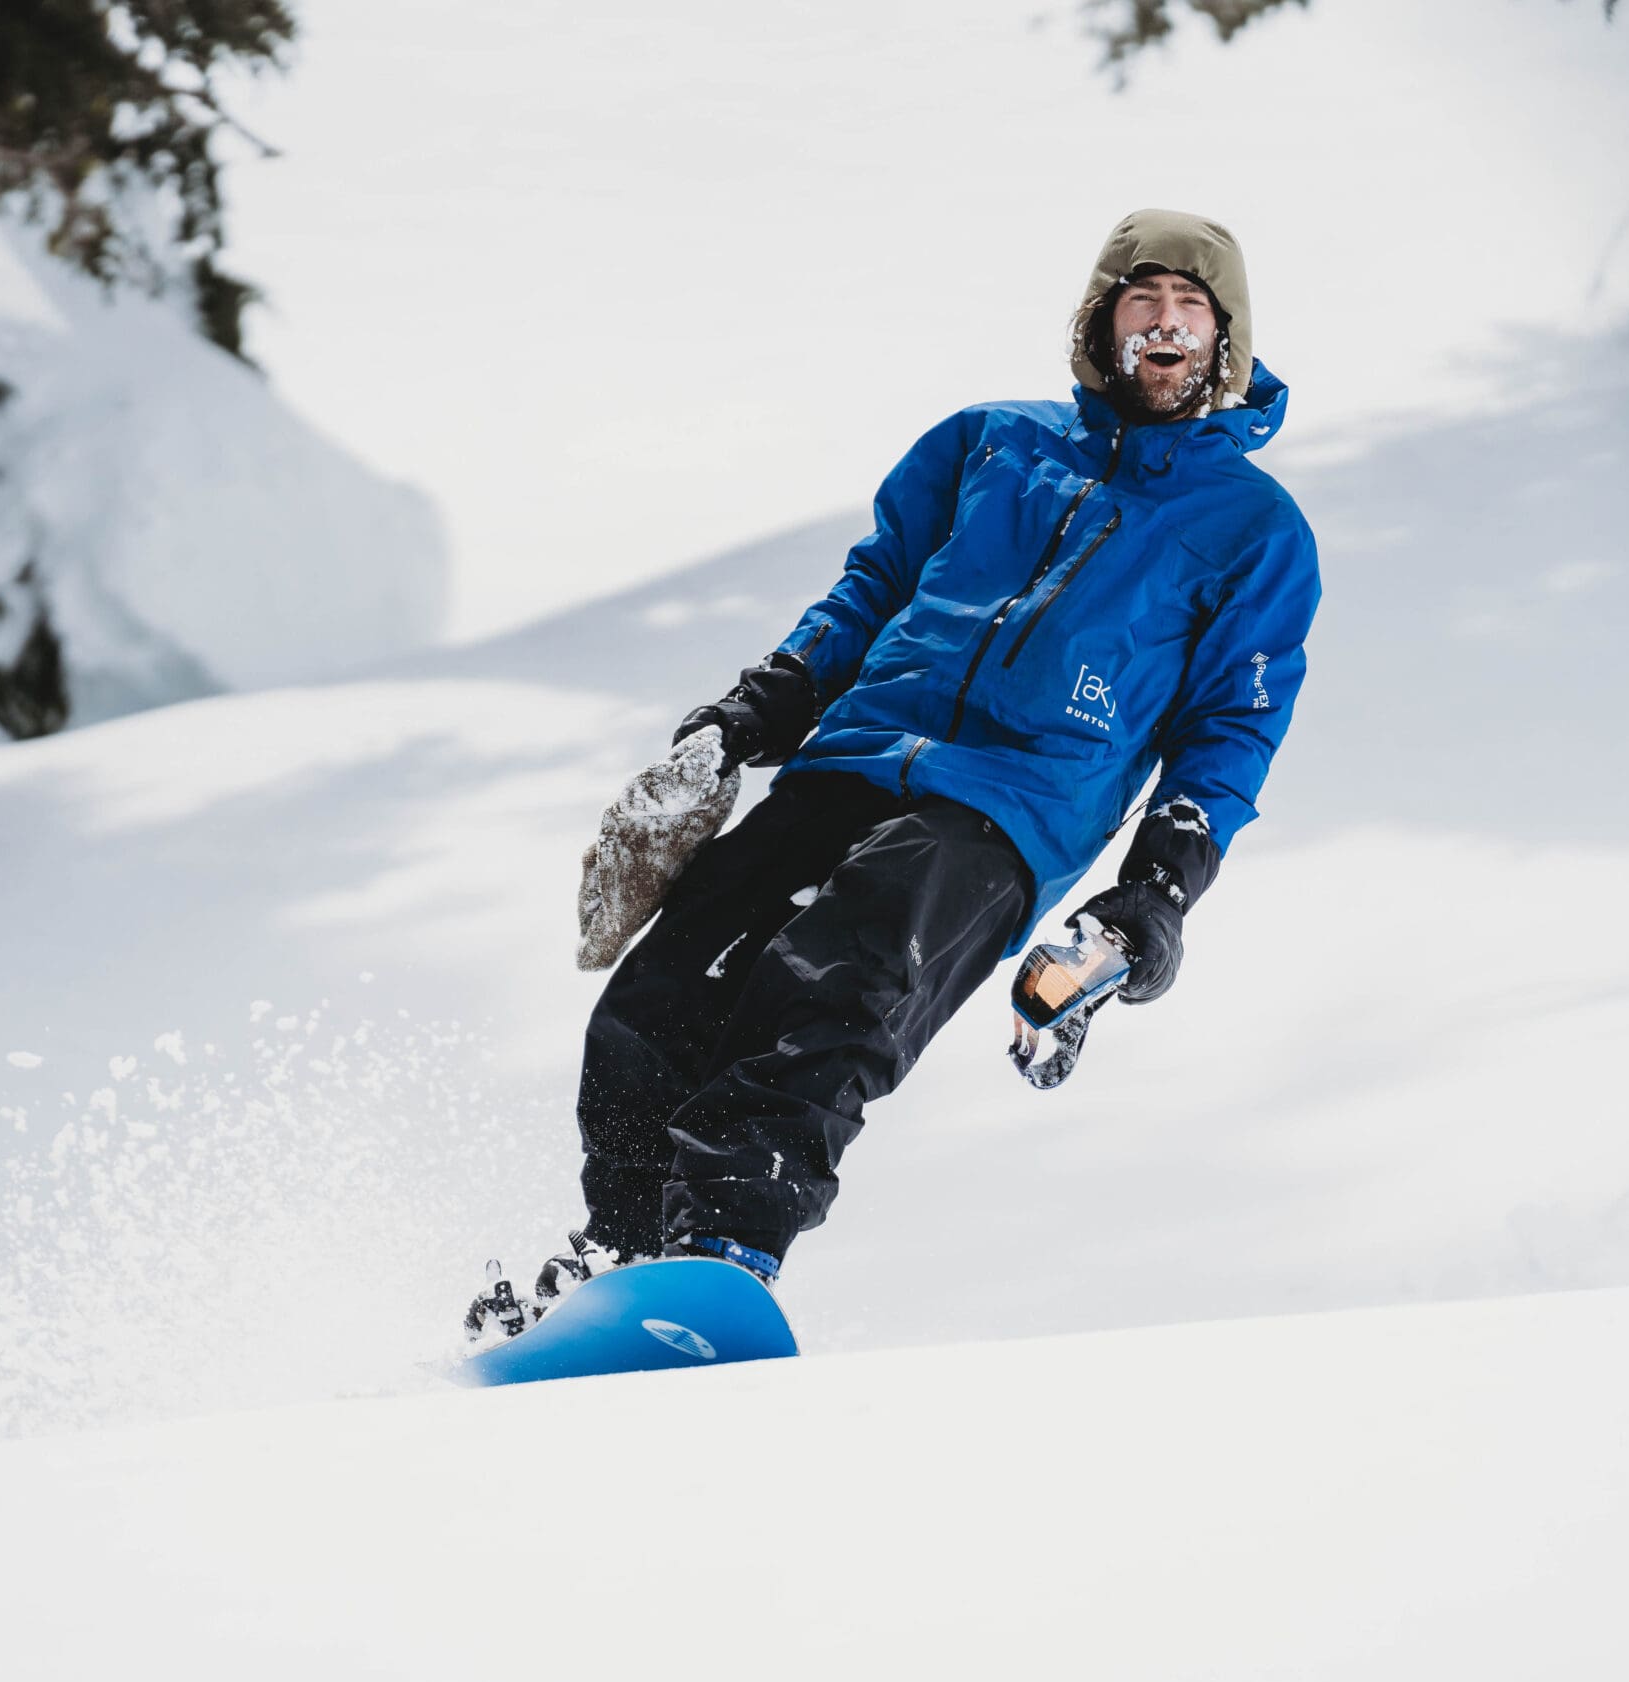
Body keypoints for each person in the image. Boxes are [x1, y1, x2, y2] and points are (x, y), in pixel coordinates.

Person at [469, 208, 1322, 1336]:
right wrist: (747, 715)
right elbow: (869, 592)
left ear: (1226, 338)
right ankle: (623, 1257)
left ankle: (726, 1241)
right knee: (660, 988)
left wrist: (1155, 890)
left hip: (1009, 805)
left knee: (844, 971)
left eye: (1191, 307)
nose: (1163, 325)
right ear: (1099, 320)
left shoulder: (1253, 531)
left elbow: (1230, 730)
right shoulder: (985, 443)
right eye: (1140, 298)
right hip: (857, 754)